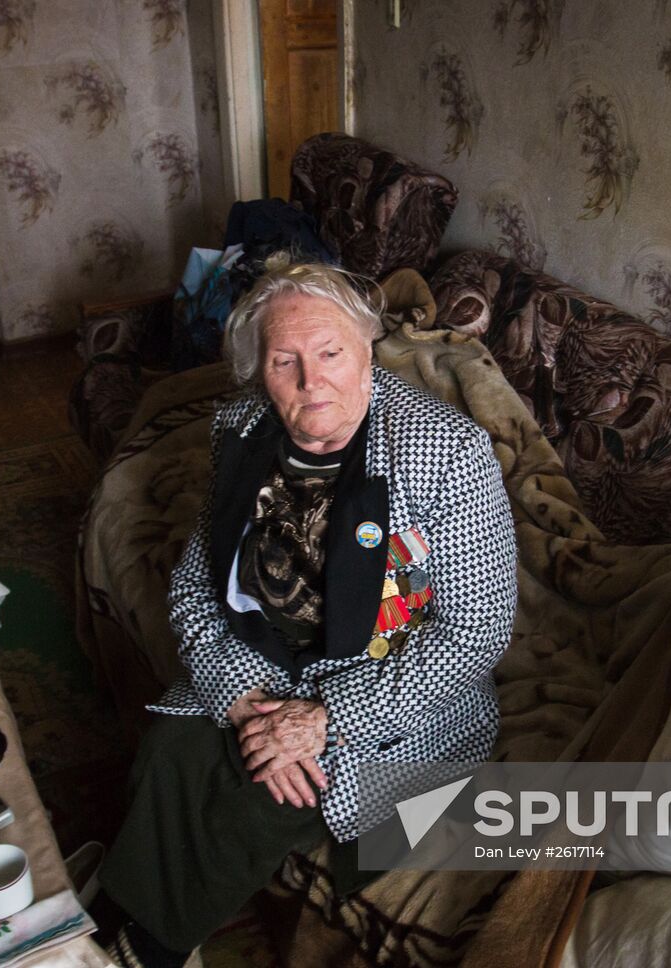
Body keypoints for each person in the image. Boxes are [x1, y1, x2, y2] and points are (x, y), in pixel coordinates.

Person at [99, 255, 518, 968]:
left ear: (366, 353)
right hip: (266, 660)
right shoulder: (240, 428)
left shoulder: (445, 451)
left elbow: (477, 633)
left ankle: (142, 945)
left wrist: (324, 719)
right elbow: (194, 590)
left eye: (329, 353)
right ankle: (118, 914)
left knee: (268, 789)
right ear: (258, 371)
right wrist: (242, 700)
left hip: (388, 678)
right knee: (173, 748)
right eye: (283, 359)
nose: (309, 379)